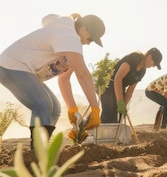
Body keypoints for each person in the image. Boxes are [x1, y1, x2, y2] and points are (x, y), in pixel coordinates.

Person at [0, 13, 105, 145]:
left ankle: (42, 147)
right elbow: (83, 74)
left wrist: (72, 109)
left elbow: (64, 80)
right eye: (91, 39)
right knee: (43, 105)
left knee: (55, 108)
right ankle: (38, 153)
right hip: (11, 65)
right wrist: (95, 109)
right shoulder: (69, 37)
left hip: (22, 70)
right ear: (84, 30)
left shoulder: (69, 45)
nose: (89, 43)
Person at [101, 47, 162, 123]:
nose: (153, 66)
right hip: (110, 86)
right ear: (149, 56)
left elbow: (130, 91)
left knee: (118, 119)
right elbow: (118, 79)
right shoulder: (135, 58)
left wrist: (123, 107)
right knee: (108, 116)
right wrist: (120, 102)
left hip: (121, 88)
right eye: (154, 63)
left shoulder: (142, 71)